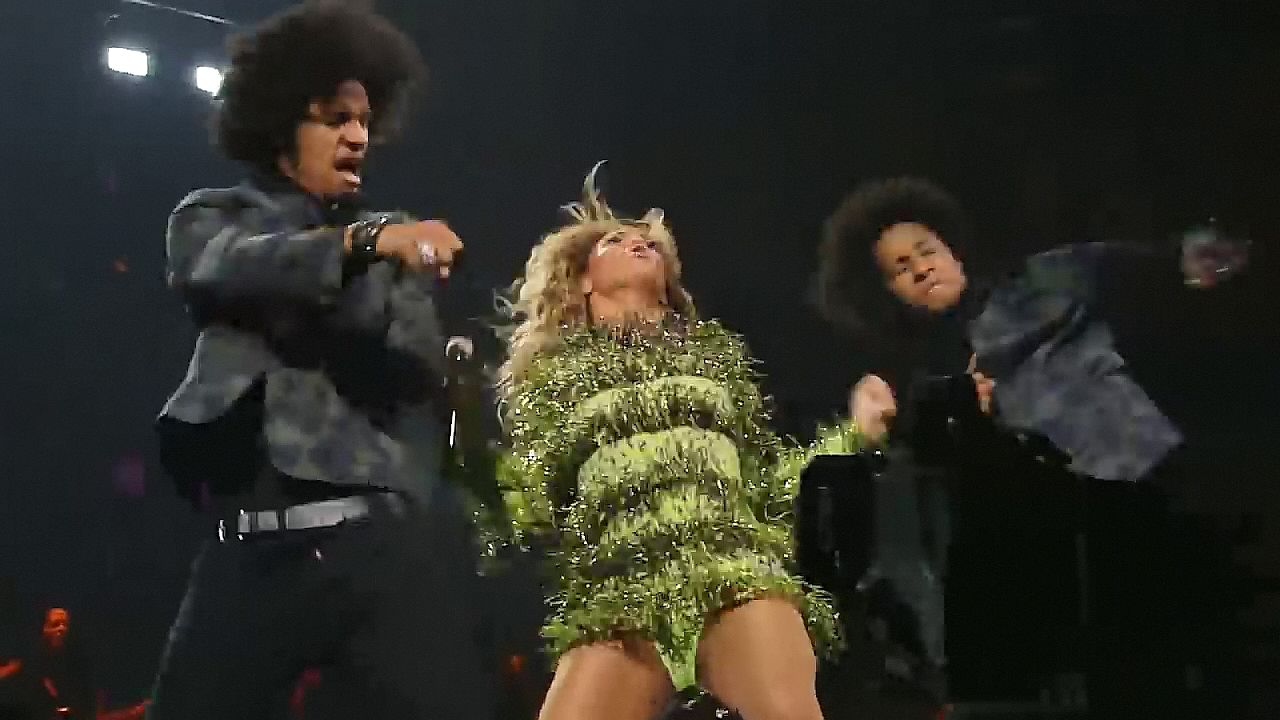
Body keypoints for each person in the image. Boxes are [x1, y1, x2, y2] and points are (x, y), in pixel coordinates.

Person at [148, 4, 486, 718]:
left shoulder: (396, 241)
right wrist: (362, 246)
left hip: (374, 546)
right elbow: (226, 268)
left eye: (364, 121)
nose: (358, 136)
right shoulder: (212, 215)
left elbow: (412, 372)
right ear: (281, 126)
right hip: (251, 550)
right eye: (336, 119)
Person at [813, 176, 1248, 708]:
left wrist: (1186, 258)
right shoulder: (916, 378)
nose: (921, 268)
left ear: (954, 253)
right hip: (1045, 556)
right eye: (900, 268)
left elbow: (1122, 265)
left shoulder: (1033, 284)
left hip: (1140, 484)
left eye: (927, 251)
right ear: (887, 293)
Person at [483, 164, 867, 720]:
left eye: (648, 242)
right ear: (582, 279)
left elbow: (769, 487)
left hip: (733, 574)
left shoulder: (717, 361)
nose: (638, 242)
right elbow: (524, 502)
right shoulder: (553, 382)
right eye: (616, 241)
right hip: (617, 598)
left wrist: (855, 433)